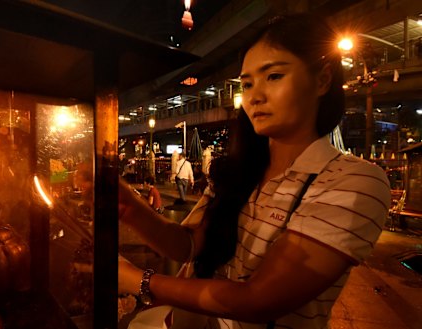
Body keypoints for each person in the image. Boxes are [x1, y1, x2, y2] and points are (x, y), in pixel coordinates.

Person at [118, 13, 391, 329]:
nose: (255, 96)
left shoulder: (353, 181)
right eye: (247, 83)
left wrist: (138, 280)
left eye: (274, 76)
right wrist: (130, 209)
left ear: (322, 80)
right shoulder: (238, 172)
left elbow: (259, 300)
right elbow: (188, 246)